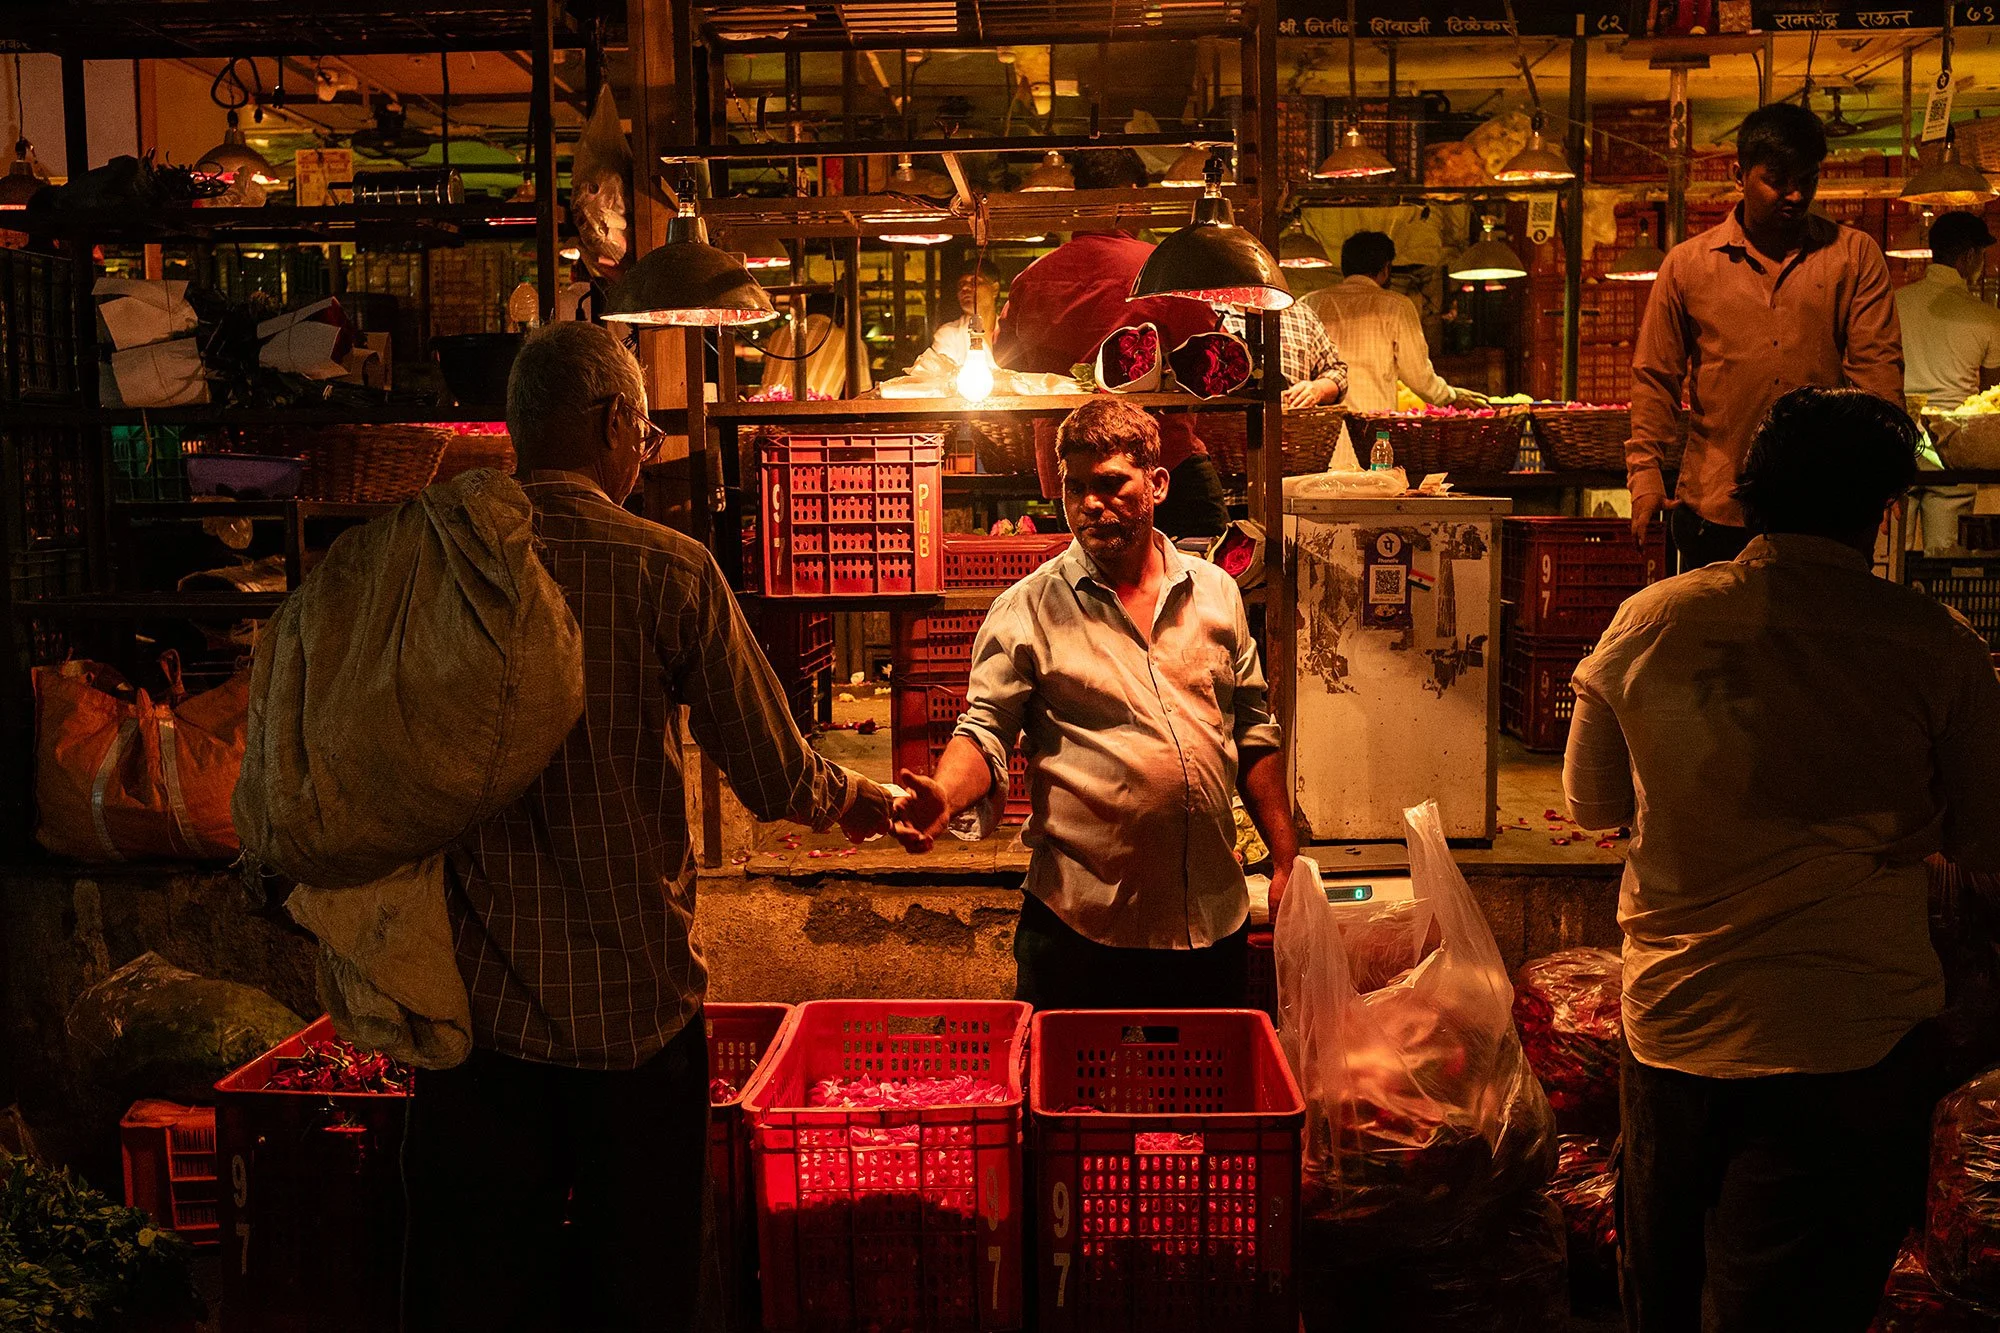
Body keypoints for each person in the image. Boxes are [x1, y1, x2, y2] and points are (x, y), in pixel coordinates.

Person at [401, 323, 895, 1333]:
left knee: (486, 1294)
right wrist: (860, 801)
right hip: (634, 1013)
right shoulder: (663, 568)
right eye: (645, 427)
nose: (648, 447)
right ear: (612, 422)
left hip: (473, 1013)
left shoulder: (433, 560)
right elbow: (771, 770)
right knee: (647, 1289)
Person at [1563, 386, 2000, 1333]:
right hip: (1851, 1039)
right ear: (1881, 508)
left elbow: (1592, 805)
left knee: (1663, 1290)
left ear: (1747, 494)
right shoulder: (1937, 647)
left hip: (1677, 1025)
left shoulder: (1648, 623)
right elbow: (1986, 843)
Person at [889, 398, 1297, 1009]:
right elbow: (984, 730)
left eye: (1109, 484)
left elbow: (1252, 729)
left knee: (1203, 1101)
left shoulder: (1216, 593)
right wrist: (945, 794)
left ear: (1157, 483)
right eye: (1074, 487)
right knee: (1077, 1102)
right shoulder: (1026, 609)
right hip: (1082, 930)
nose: (1089, 504)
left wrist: (1286, 858)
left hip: (1213, 920)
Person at [1628, 103, 1902, 569]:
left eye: (1807, 180)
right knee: (1718, 640)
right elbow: (1656, 377)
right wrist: (1645, 475)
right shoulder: (1689, 264)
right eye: (1777, 180)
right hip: (1717, 505)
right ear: (1739, 174)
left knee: (1819, 640)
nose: (1795, 195)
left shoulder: (1854, 256)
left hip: (1827, 507)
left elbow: (1877, 374)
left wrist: (1884, 473)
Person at [994, 148, 1228, 538]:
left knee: (1087, 584)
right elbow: (1207, 355)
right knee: (1200, 574)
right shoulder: (1162, 269)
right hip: (1158, 463)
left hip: (1070, 466)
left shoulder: (1032, 276)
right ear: (1133, 196)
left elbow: (1004, 359)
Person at [1895, 209, 2000, 553]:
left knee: (1895, 555)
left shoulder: (1895, 303)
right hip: (1951, 445)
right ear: (1969, 256)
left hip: (1898, 438)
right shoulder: (1986, 317)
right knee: (1945, 558)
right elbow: (1992, 393)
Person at [1303, 229, 1481, 414]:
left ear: (1344, 267)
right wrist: (1450, 396)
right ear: (1386, 268)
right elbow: (1418, 376)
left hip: (1320, 431)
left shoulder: (1310, 303)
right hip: (1373, 428)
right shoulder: (1397, 306)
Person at [1220, 301, 1349, 409]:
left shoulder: (1303, 315)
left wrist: (1318, 389)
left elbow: (1336, 373)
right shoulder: (1213, 312)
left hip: (1294, 430)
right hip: (1226, 429)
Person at [760, 291, 871, 398]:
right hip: (816, 413)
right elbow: (862, 394)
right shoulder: (850, 341)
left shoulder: (778, 334)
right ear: (841, 317)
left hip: (763, 410)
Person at [932, 257, 1001, 365]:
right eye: (961, 284)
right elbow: (941, 376)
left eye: (974, 282)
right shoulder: (949, 335)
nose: (965, 289)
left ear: (995, 289)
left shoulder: (1010, 331)